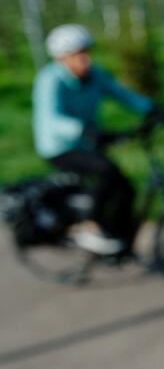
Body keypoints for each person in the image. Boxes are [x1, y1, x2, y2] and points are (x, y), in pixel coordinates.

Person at [33, 25, 155, 255]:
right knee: (106, 171)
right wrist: (84, 131)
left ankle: (121, 241)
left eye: (86, 52)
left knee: (126, 189)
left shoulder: (95, 75)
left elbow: (122, 94)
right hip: (59, 147)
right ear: (62, 58)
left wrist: (152, 108)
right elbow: (52, 119)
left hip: (87, 142)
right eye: (77, 54)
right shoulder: (50, 80)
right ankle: (91, 227)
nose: (84, 58)